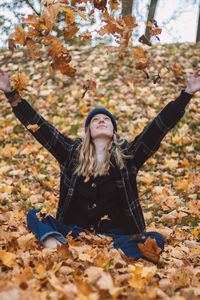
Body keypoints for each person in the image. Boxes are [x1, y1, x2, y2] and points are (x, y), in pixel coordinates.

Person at [0, 68, 200, 260]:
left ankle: (105, 254)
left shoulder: (128, 158)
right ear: (88, 130)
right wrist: (11, 93)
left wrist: (187, 93)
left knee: (155, 240)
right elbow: (41, 128)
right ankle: (60, 248)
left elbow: (157, 128)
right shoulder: (71, 154)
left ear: (114, 130)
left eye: (107, 119)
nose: (102, 120)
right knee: (36, 215)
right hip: (73, 235)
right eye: (96, 119)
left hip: (114, 240)